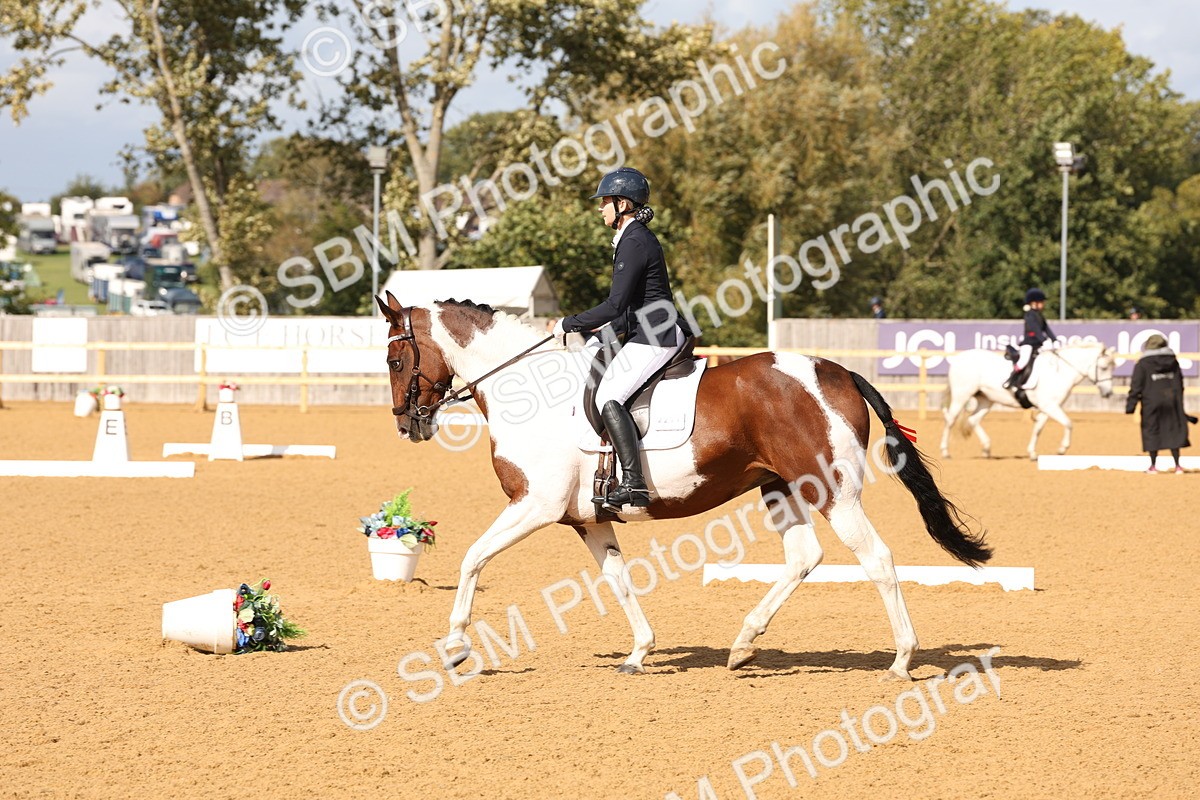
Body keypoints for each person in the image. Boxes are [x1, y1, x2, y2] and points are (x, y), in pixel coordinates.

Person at [551, 167, 685, 511]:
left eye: (605, 202)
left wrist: (569, 323)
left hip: (657, 334)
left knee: (609, 395)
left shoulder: (635, 240)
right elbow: (626, 309)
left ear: (622, 203)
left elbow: (615, 304)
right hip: (643, 329)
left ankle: (633, 484)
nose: (600, 208)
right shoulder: (632, 237)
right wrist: (598, 333)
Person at [1125, 334, 1195, 474]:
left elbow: (1136, 386)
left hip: (1151, 402)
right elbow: (1179, 383)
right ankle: (1177, 466)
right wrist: (1178, 401)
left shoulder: (1143, 364)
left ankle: (1153, 466)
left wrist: (1130, 406)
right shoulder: (1173, 362)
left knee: (1152, 430)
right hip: (1171, 400)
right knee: (1173, 430)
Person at [1003, 287, 1057, 396]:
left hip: (1037, 345)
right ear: (1034, 303)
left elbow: (1046, 328)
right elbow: (1036, 330)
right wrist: (1044, 340)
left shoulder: (1039, 315)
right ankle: (1010, 380)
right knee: (1023, 361)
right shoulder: (1029, 315)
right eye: (1041, 302)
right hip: (1029, 343)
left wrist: (1054, 339)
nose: (1043, 304)